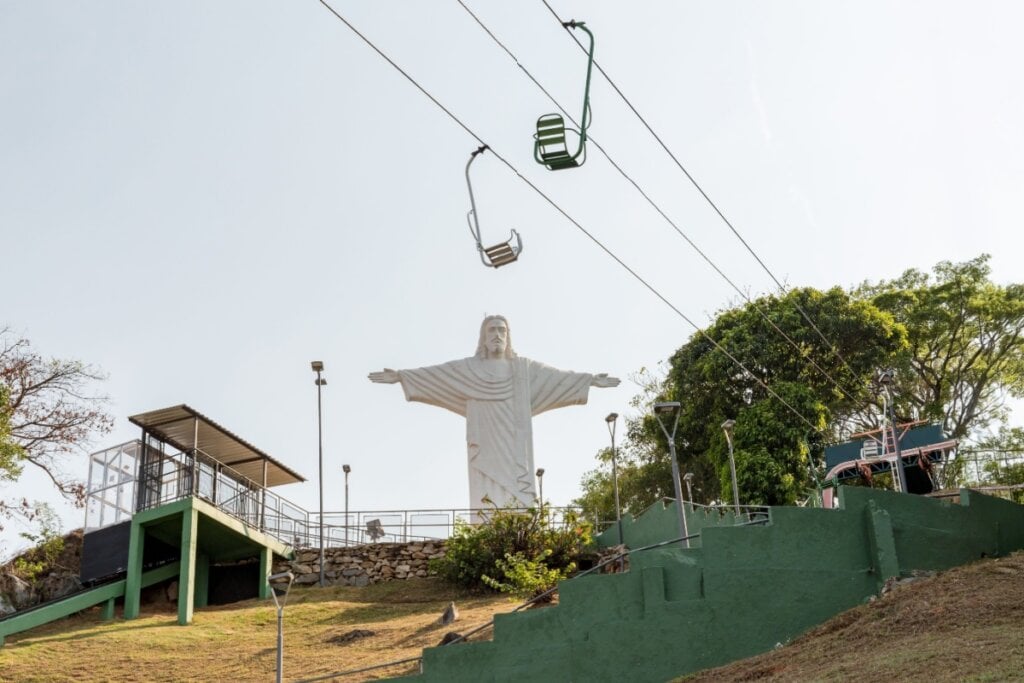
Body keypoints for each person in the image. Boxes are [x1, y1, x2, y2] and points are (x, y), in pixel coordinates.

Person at [369, 315, 619, 509]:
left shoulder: (523, 370)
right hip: (485, 439)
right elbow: (438, 374)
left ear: (509, 336)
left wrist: (589, 381)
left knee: (519, 490)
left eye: (502, 330)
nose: (497, 334)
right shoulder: (469, 369)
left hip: (515, 444)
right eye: (492, 330)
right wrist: (402, 377)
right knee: (485, 488)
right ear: (483, 337)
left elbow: (557, 378)